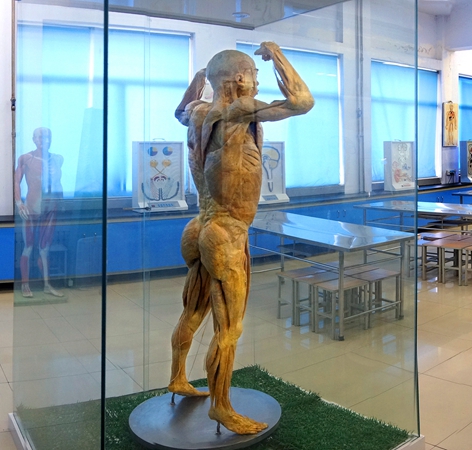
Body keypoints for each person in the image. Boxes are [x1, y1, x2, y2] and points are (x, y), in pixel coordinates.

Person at [167, 42, 314, 435]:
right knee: (228, 329)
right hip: (227, 233)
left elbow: (179, 111)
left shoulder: (197, 112)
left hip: (199, 225)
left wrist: (198, 80)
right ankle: (221, 406)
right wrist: (278, 54)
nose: (257, 82)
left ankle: (178, 377)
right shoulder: (238, 109)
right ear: (239, 78)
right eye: (254, 75)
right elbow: (302, 101)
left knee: (192, 310)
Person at [13, 127, 64, 298]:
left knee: (44, 248)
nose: (44, 141)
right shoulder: (26, 158)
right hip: (31, 208)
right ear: (34, 139)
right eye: (40, 137)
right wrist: (19, 203)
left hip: (50, 208)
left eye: (47, 137)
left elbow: (58, 186)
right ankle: (25, 284)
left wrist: (60, 202)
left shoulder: (58, 159)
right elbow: (16, 181)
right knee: (28, 246)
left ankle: (47, 285)